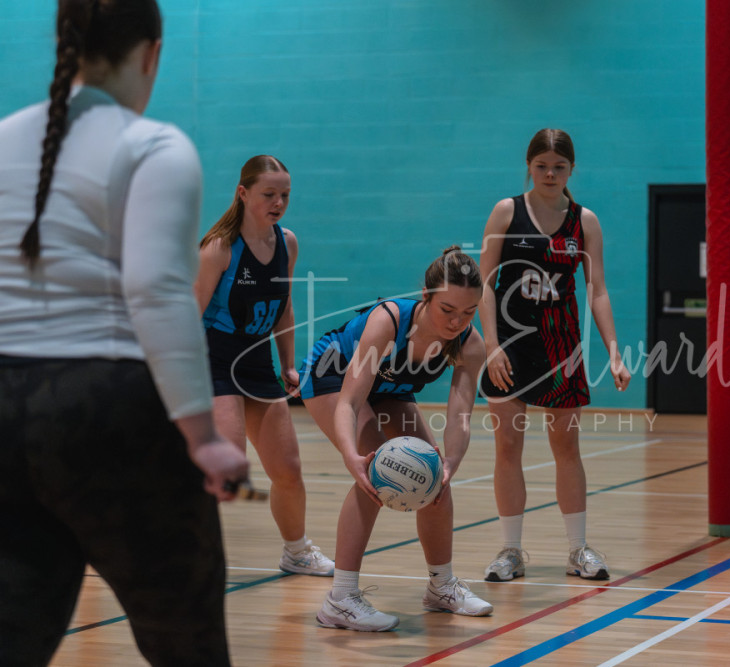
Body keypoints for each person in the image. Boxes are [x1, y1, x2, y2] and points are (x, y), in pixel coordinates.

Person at [0, 1, 249, 665]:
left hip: (4, 408)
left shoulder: (2, 138)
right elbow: (156, 290)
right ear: (152, 53)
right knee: (187, 643)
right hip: (108, 408)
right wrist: (203, 437)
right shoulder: (155, 146)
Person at [299, 247, 493, 631]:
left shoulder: (470, 344)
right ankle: (340, 599)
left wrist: (449, 464)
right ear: (426, 296)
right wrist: (351, 457)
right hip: (331, 375)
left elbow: (460, 417)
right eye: (447, 309)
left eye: (469, 312)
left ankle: (441, 587)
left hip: (390, 386)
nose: (457, 321)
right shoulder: (388, 322)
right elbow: (350, 401)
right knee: (374, 470)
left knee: (434, 478)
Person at [479, 128, 631, 583]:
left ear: (571, 169)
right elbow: (484, 284)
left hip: (561, 346)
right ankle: (510, 551)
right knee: (508, 447)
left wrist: (614, 352)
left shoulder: (585, 221)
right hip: (510, 345)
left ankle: (578, 549)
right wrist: (491, 345)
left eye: (559, 167)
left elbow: (597, 290)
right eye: (541, 166)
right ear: (529, 166)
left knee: (567, 447)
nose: (549, 174)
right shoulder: (507, 211)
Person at [194, 155, 335, 576]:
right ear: (243, 193)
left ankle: (297, 552)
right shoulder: (219, 248)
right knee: (229, 465)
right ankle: (190, 553)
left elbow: (283, 306)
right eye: (269, 194)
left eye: (285, 195)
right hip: (215, 361)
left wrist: (288, 364)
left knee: (288, 469)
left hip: (257, 361)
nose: (278, 203)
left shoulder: (286, 243)